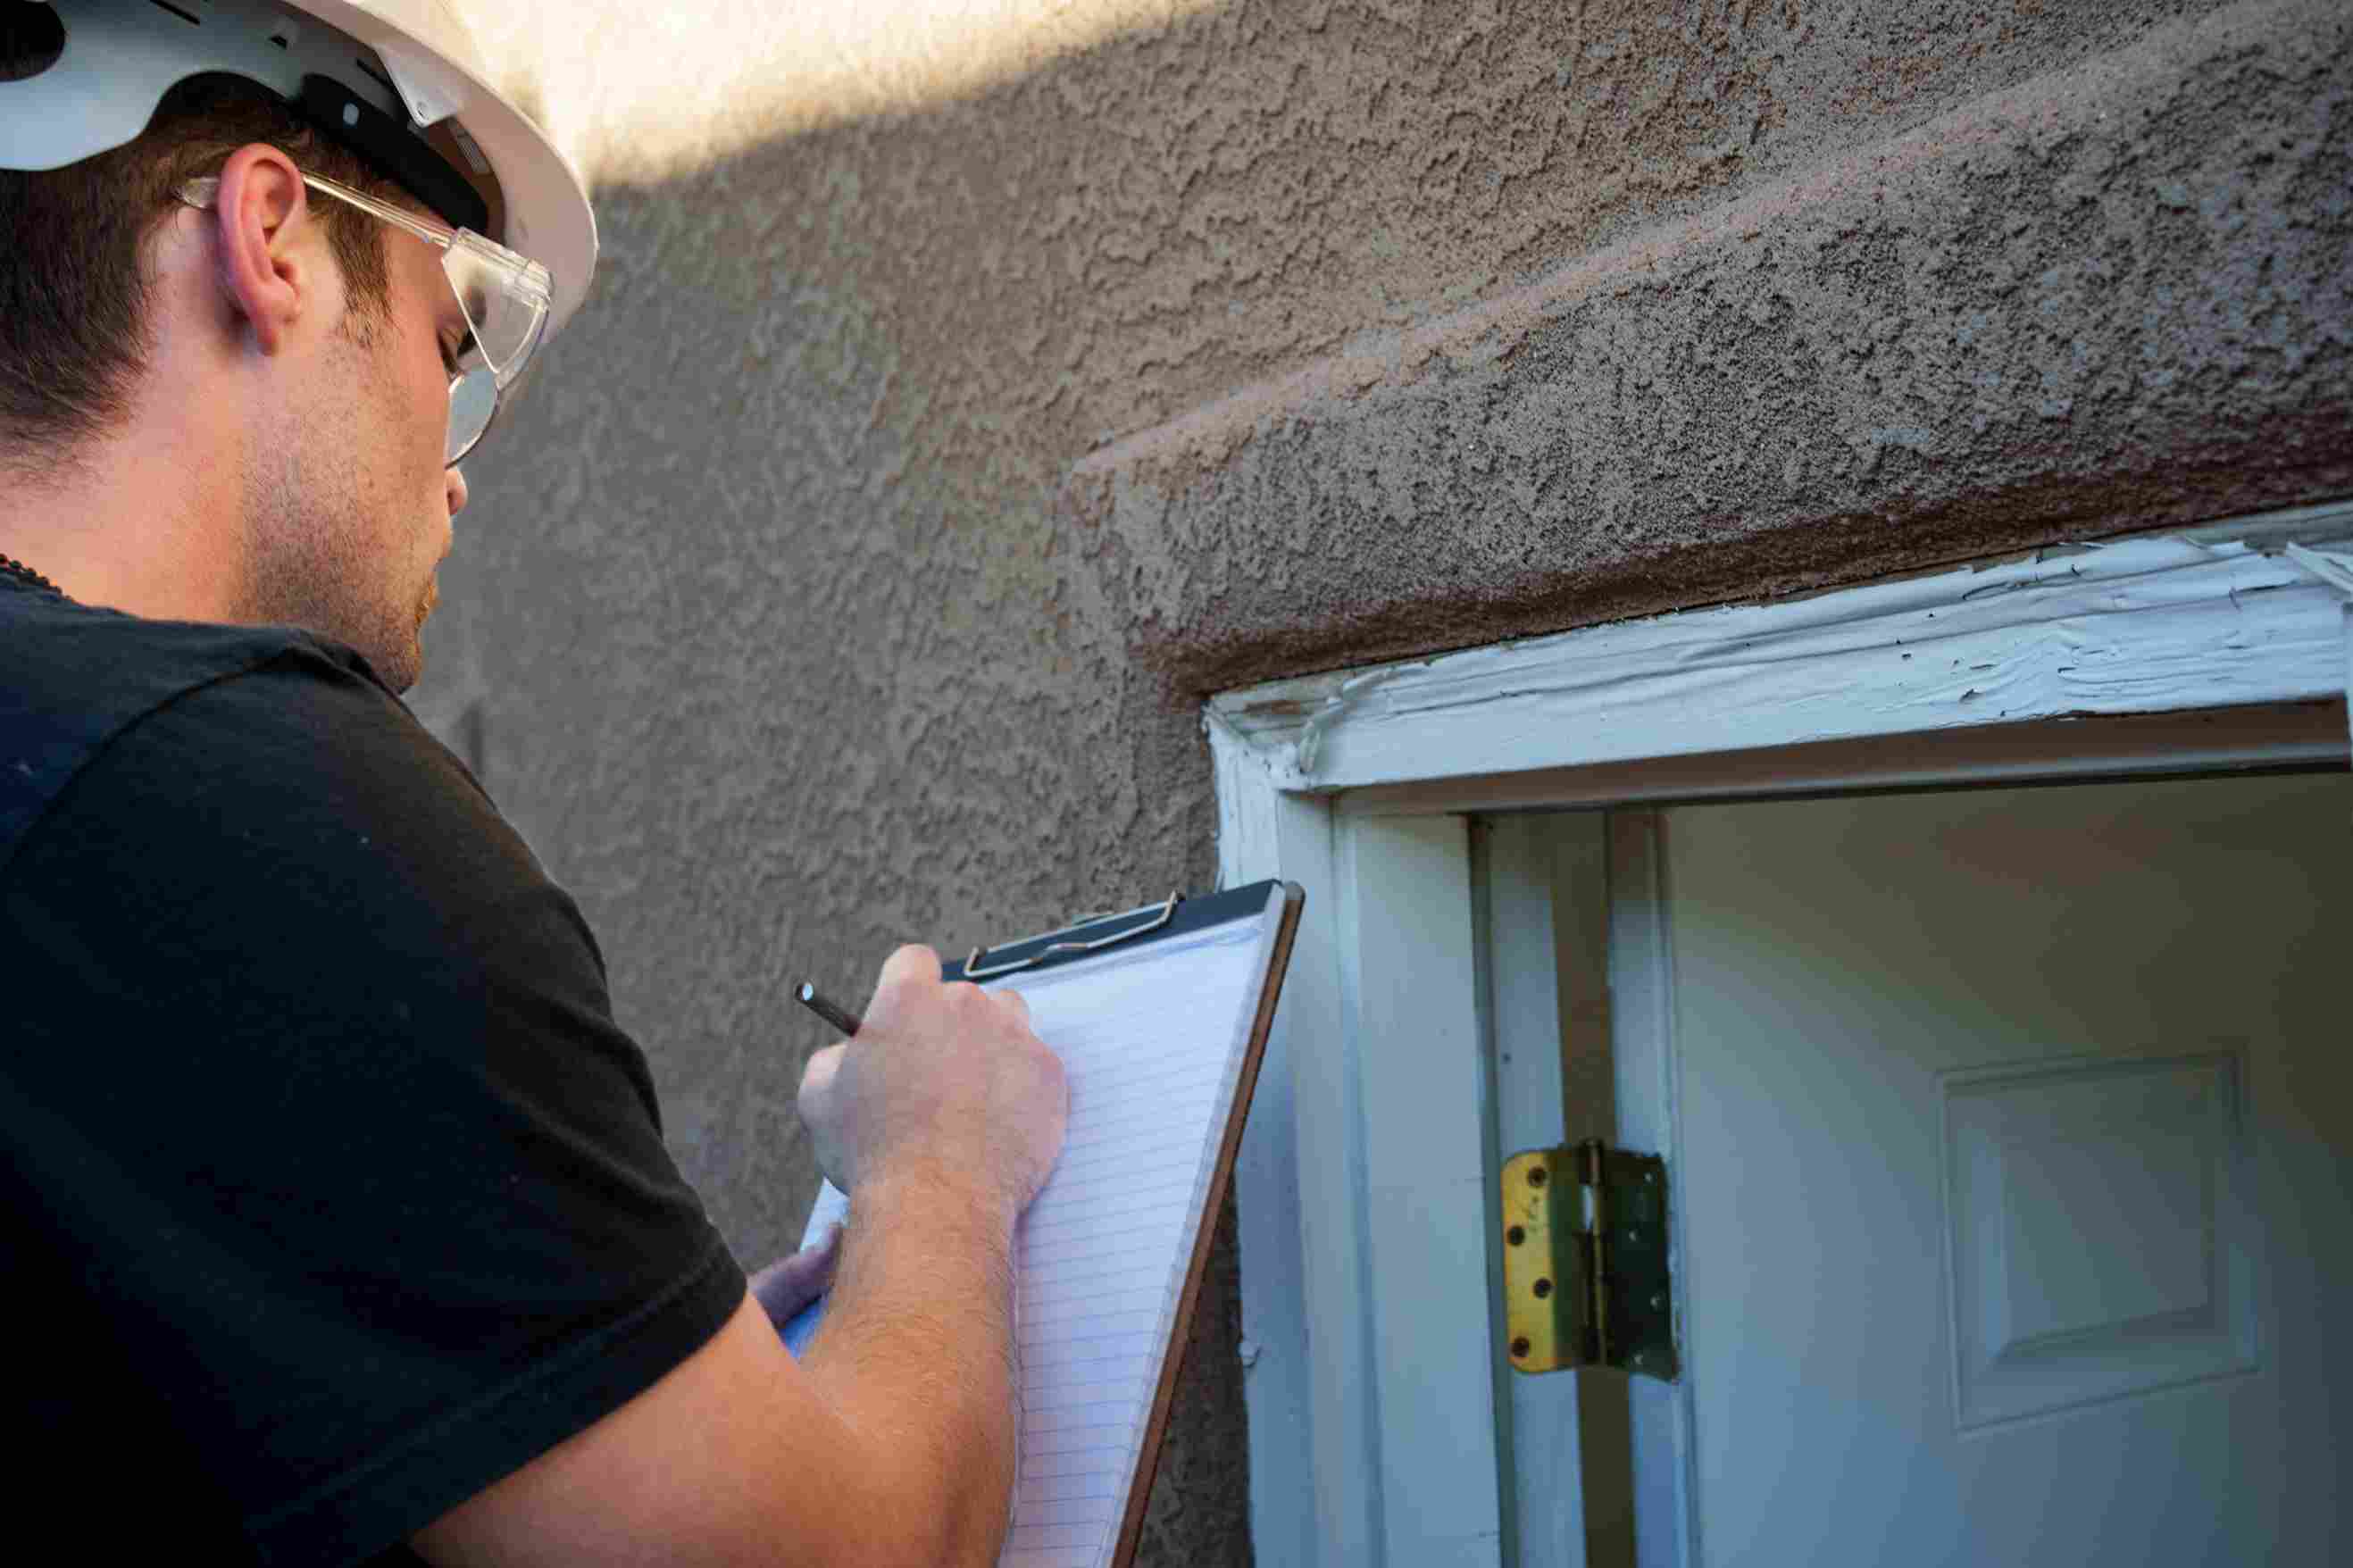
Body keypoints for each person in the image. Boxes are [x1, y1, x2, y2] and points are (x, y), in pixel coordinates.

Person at [1, 3, 1068, 1564]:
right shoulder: (226, 789)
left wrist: (579, 1386)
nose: (455, 466)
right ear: (275, 241)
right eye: (457, 345)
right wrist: (939, 1168)